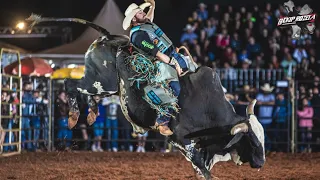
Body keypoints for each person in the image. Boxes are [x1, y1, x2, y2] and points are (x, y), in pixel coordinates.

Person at [122, 0, 189, 136]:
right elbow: (157, 53)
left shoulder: (144, 25)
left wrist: (153, 6)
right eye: (140, 12)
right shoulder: (137, 36)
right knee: (175, 88)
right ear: (134, 19)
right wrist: (172, 62)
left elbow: (149, 18)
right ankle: (162, 121)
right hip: (160, 63)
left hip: (172, 55)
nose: (143, 13)